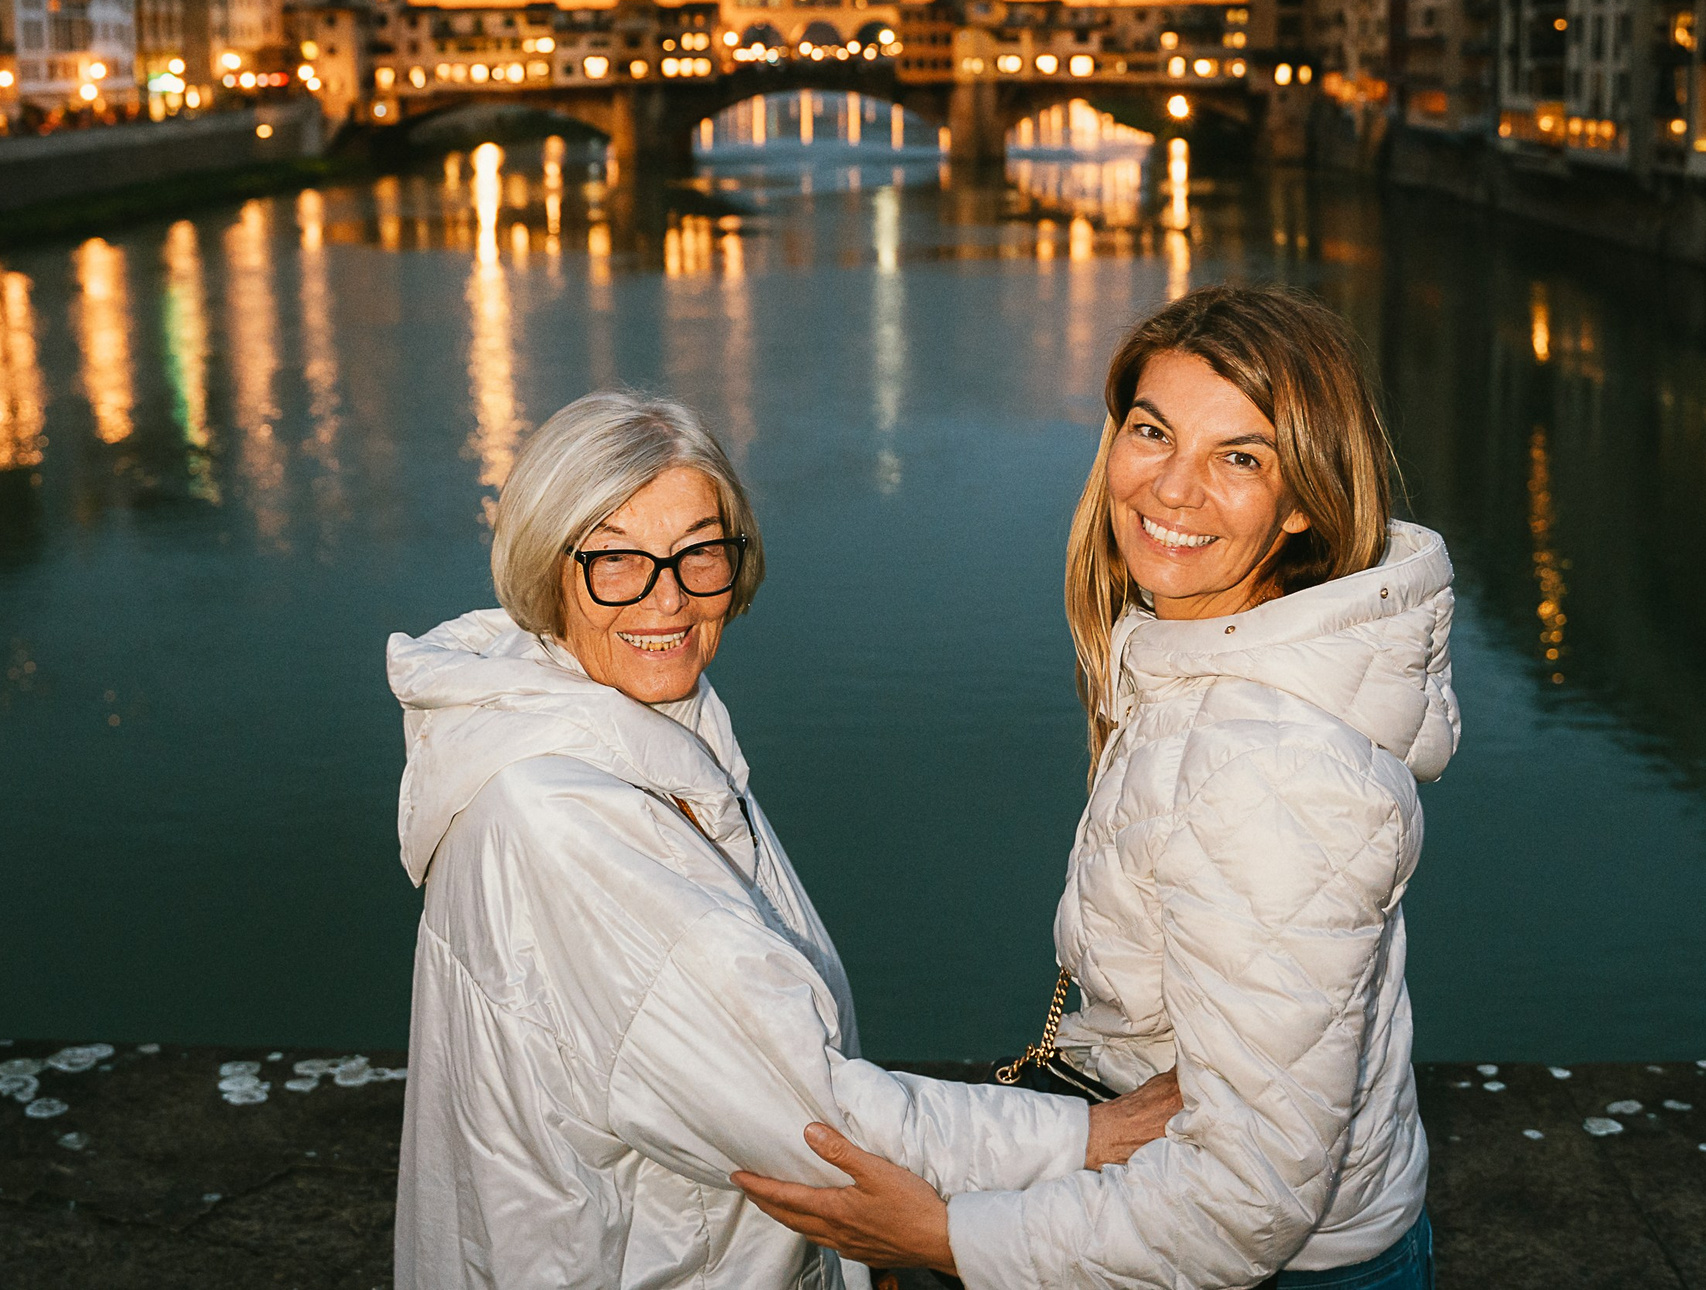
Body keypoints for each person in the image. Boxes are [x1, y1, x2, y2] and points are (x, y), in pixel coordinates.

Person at [736, 285, 1459, 1290]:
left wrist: (945, 1236)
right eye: (1150, 432)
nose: (1171, 488)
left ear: (1303, 502)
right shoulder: (1204, 658)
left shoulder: (1265, 761)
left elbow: (1244, 1199)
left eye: (1238, 457)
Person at [388, 390, 1174, 1290]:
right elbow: (810, 1114)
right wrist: (1090, 1137)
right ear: (548, 563)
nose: (669, 596)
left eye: (699, 553)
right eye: (617, 560)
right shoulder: (561, 821)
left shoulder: (640, 730)